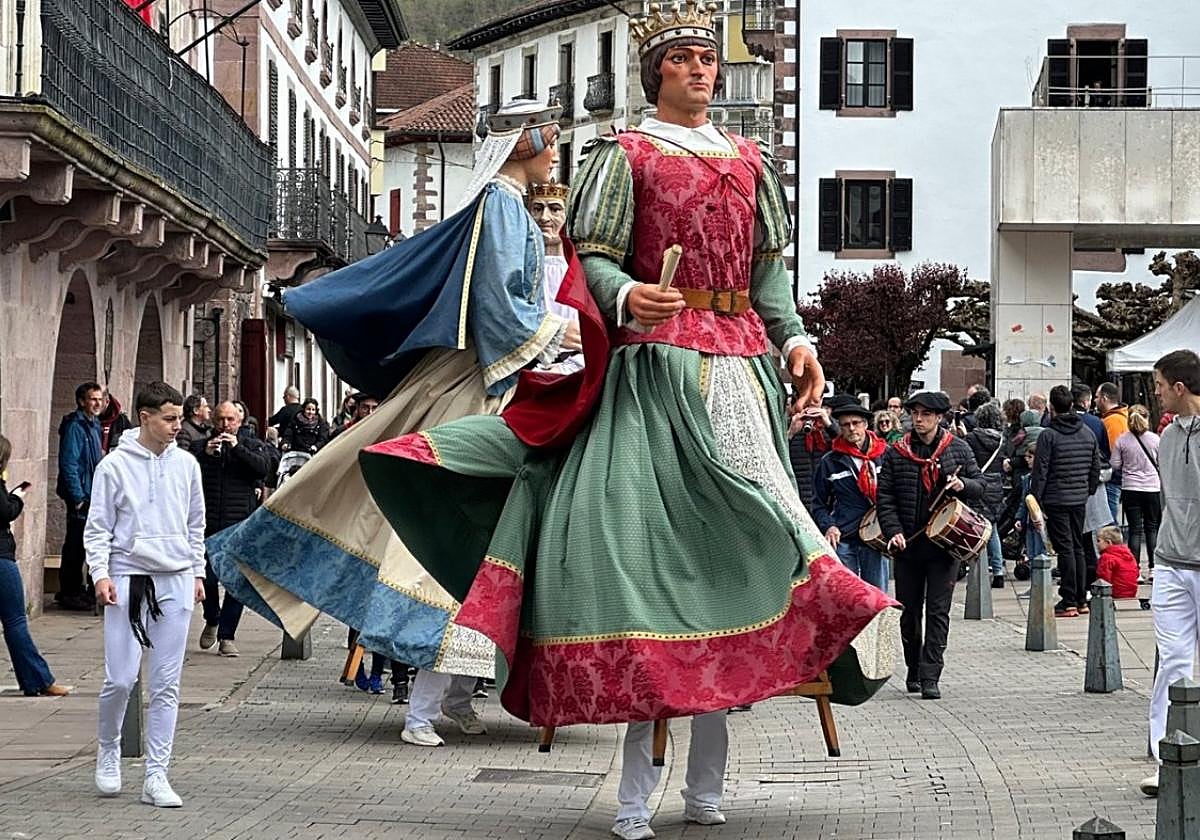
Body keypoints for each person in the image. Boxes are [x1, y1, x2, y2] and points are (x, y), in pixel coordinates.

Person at [354, 13, 895, 837]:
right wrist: (623, 295)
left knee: (753, 550)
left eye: (708, 59)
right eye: (682, 59)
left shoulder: (753, 161)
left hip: (740, 365)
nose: (699, 71)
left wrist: (795, 340)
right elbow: (595, 258)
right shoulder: (624, 154)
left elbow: (767, 275)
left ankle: (712, 784)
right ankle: (637, 797)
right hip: (653, 370)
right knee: (650, 572)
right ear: (655, 73)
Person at [206, 98, 572, 747]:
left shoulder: (511, 208)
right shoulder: (499, 206)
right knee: (441, 543)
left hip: (499, 382)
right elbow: (498, 309)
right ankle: (421, 710)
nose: (556, 148)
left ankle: (455, 698)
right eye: (550, 136)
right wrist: (558, 333)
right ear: (525, 142)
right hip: (480, 388)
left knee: (491, 550)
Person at [84, 382, 205, 807]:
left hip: (174, 577)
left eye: (178, 418)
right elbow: (97, 526)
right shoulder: (114, 466)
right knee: (120, 678)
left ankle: (157, 774)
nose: (177, 426)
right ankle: (109, 748)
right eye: (169, 418)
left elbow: (195, 525)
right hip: (129, 575)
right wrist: (101, 573)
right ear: (145, 416)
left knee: (166, 683)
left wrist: (197, 572)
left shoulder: (187, 465)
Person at [876, 391, 985, 700]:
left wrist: (964, 486)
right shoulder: (897, 453)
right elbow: (885, 499)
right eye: (915, 414)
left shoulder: (959, 450)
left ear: (939, 418)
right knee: (909, 613)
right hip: (908, 547)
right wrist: (893, 531)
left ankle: (931, 674)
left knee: (938, 612)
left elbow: (982, 487)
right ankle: (913, 668)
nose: (919, 419)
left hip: (944, 546)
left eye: (925, 414)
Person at [1142, 349, 1200, 798]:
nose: (1156, 392)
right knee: (1173, 663)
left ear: (1180, 388)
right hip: (1171, 562)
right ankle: (1169, 760)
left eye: (1160, 385)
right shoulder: (1168, 435)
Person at [189, 401, 273, 656]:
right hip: (208, 522)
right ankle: (212, 617)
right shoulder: (200, 446)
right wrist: (205, 454)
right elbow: (187, 472)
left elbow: (264, 469)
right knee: (209, 577)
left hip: (239, 523)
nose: (225, 425)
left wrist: (237, 449)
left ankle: (227, 636)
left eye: (230, 420)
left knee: (236, 582)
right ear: (213, 421)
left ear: (240, 421)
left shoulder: (251, 445)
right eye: (221, 420)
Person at [0, 435, 70, 698]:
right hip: (1, 559)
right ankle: (39, 680)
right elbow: (5, 512)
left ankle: (36, 680)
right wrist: (16, 497)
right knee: (16, 621)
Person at [1032, 385, 1101, 618]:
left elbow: (1040, 470)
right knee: (1078, 546)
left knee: (1066, 548)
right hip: (1079, 497)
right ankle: (1081, 597)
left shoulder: (1048, 435)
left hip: (1056, 497)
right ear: (1072, 405)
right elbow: (1095, 467)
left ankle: (1069, 598)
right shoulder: (1087, 433)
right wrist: (1087, 489)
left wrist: (1035, 498)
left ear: (1051, 407)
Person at [812, 401, 889, 591]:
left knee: (877, 597)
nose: (851, 428)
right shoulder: (830, 461)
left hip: (876, 537)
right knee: (848, 600)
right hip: (844, 538)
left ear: (866, 425)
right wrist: (829, 526)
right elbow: (818, 504)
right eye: (845, 424)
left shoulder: (885, 455)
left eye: (856, 423)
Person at [54, 381, 104, 610]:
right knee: (75, 544)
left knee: (87, 543)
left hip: (92, 493)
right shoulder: (76, 426)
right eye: (92, 399)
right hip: (81, 496)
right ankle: (69, 591)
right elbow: (70, 463)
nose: (97, 403)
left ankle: (81, 589)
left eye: (99, 398)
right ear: (82, 401)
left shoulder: (93, 425)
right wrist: (78, 498)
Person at [529, 181, 585, 373]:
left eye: (554, 209)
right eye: (537, 209)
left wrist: (571, 366)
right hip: (528, 364)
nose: (544, 217)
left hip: (577, 368)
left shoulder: (582, 269)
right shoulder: (519, 266)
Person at [1111, 405, 1161, 578]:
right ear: (1146, 418)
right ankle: (1154, 568)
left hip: (1130, 487)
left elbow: (1115, 464)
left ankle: (1135, 570)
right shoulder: (1155, 439)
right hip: (1152, 487)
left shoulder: (1122, 440)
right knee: (1152, 528)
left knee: (1134, 530)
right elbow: (1161, 462)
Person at [965, 402, 1006, 588]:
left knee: (974, 526)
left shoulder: (972, 438)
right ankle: (998, 571)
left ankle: (976, 567)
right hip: (996, 483)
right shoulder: (1002, 439)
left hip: (977, 482)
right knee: (993, 528)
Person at [788, 396, 836, 515]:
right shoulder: (790, 423)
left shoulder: (830, 424)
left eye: (816, 400)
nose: (811, 404)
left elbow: (847, 447)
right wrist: (790, 432)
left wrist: (829, 424)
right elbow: (776, 455)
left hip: (826, 499)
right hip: (797, 496)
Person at [1095, 382, 1129, 524]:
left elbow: (1113, 453)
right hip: (1117, 477)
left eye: (1097, 397)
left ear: (1104, 398)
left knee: (1109, 522)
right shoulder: (1117, 417)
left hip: (1112, 478)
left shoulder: (1113, 421)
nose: (1094, 401)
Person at [1095, 525, 1139, 599]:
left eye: (1098, 541)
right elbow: (1136, 573)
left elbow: (1103, 578)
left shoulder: (1106, 557)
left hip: (1115, 592)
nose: (1097, 544)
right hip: (1131, 592)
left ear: (1109, 542)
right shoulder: (1129, 555)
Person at [97, 389, 133, 454]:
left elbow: (130, 445)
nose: (95, 404)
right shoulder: (90, 419)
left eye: (99, 400)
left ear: (107, 401)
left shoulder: (121, 421)